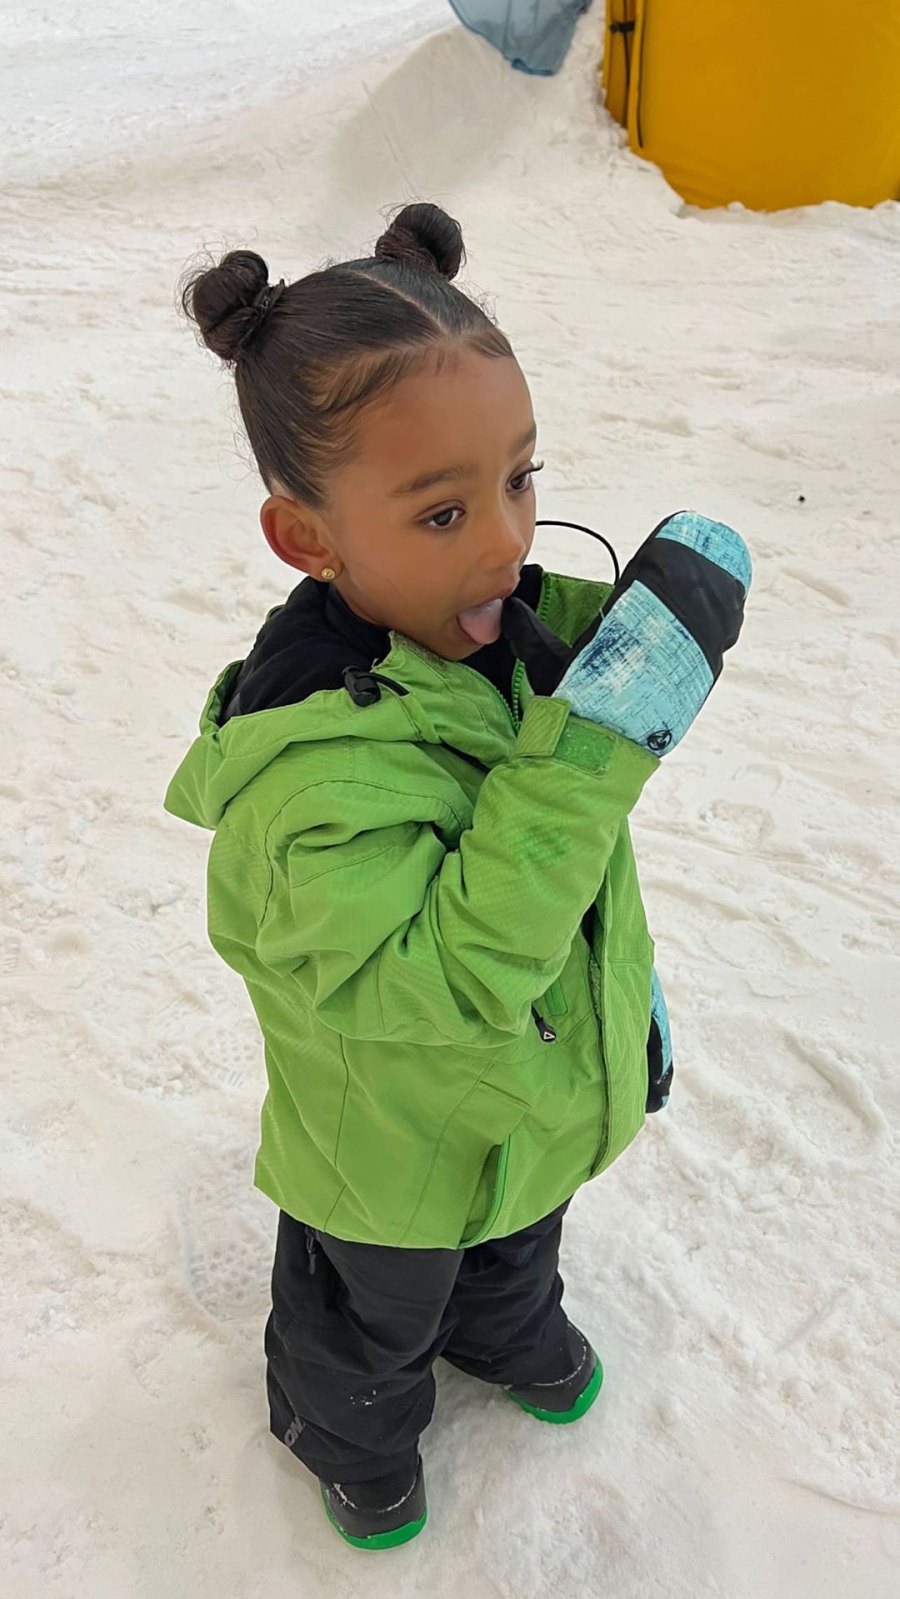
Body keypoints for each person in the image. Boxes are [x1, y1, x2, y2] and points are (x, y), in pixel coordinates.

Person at [164, 203, 749, 1551]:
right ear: (308, 540)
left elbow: (582, 718)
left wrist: (658, 625)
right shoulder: (304, 786)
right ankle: (348, 1430)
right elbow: (449, 978)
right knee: (375, 1305)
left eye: (522, 477)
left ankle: (505, 1325)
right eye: (442, 509)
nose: (504, 540)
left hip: (523, 1102)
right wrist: (598, 746)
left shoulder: (497, 620)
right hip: (386, 1145)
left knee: (517, 1230)